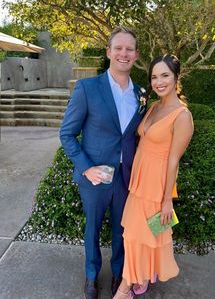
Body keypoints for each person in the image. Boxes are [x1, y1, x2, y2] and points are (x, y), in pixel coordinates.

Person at [60, 27, 146, 299]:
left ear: (136, 55)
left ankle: (121, 275)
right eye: (118, 48)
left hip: (126, 177)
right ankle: (91, 276)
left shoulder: (142, 94)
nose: (124, 53)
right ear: (108, 52)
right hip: (95, 176)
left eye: (129, 49)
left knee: (123, 231)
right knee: (92, 229)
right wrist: (86, 167)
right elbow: (67, 134)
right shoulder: (87, 88)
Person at [113, 54, 194, 298]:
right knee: (139, 235)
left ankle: (124, 288)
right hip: (138, 181)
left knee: (138, 236)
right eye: (154, 76)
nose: (159, 81)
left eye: (165, 75)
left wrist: (167, 199)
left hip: (156, 187)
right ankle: (143, 275)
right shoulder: (155, 105)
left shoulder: (182, 116)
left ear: (176, 77)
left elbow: (173, 161)